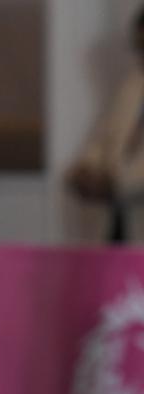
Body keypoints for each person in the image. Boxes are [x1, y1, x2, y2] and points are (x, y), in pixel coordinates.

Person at [67, 6, 144, 242]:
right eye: (139, 46)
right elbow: (105, 136)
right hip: (120, 221)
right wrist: (86, 168)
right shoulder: (132, 85)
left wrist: (115, 183)